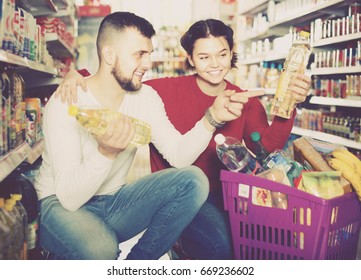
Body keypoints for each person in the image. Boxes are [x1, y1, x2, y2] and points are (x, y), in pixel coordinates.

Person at [55, 19, 311, 259]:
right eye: (204, 57)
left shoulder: (244, 99)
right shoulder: (163, 90)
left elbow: (266, 147)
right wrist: (78, 74)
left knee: (269, 241)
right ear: (189, 58)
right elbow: (118, 77)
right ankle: (177, 242)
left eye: (222, 54)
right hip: (180, 198)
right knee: (220, 245)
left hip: (229, 196)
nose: (215, 64)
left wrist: (290, 105)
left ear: (231, 52)